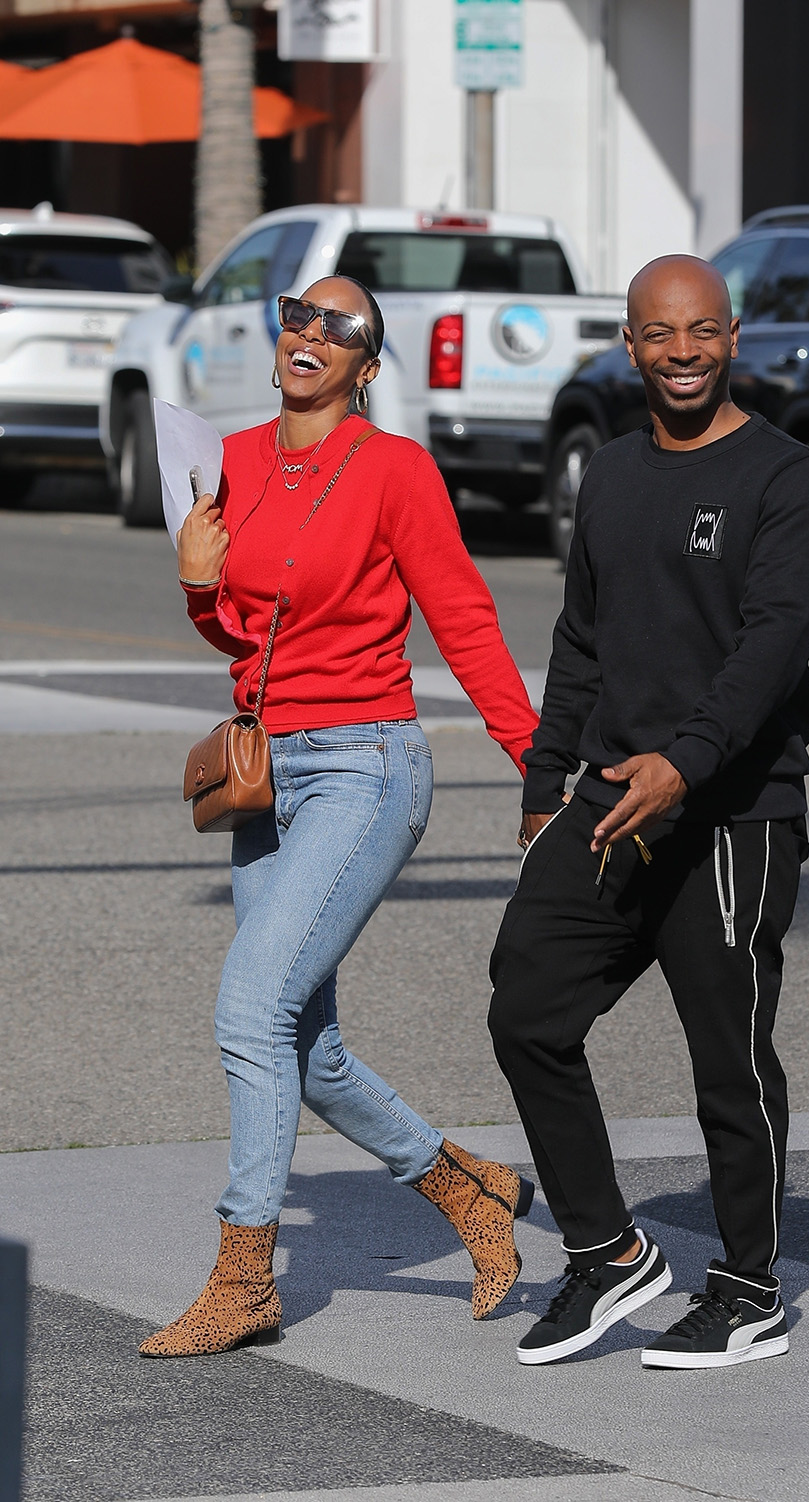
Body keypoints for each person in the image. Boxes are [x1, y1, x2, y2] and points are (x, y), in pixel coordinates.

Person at [140, 276, 539, 1358]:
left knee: (247, 1007)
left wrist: (535, 764)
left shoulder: (396, 470)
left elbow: (462, 615)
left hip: (368, 765)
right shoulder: (229, 459)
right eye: (298, 315)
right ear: (278, 342)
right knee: (302, 1046)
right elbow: (247, 638)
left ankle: (243, 1276)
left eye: (342, 327)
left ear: (367, 366)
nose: (312, 332)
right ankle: (471, 1189)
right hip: (271, 773)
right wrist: (194, 586)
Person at [488, 254, 809, 1369]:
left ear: (730, 336)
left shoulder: (787, 479)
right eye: (656, 333)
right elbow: (581, 640)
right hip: (605, 799)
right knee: (527, 1009)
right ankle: (605, 1249)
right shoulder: (614, 474)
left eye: (699, 331)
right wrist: (548, 779)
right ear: (629, 345)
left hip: (731, 815)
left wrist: (683, 766)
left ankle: (746, 1286)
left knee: (726, 1057)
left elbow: (768, 651)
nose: (680, 351)